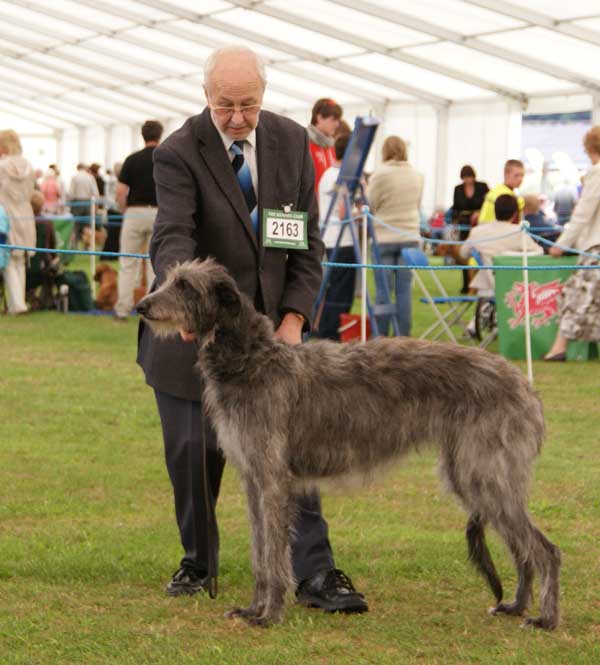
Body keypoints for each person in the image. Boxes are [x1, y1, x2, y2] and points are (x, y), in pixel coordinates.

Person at [137, 45, 367, 613]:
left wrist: (294, 317)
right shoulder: (178, 152)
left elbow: (305, 241)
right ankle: (199, 562)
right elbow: (172, 234)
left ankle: (316, 573)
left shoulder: (291, 141)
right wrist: (185, 305)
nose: (238, 116)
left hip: (273, 342)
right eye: (225, 105)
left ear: (263, 95)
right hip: (198, 327)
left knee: (291, 452)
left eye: (248, 104)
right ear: (205, 95)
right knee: (192, 450)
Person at [544, 126, 600, 361]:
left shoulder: (597, 173)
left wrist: (561, 245)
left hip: (595, 247)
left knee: (575, 295)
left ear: (589, 149)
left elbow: (582, 214)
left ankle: (559, 348)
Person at [367, 135, 424, 336]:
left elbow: (370, 204)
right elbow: (417, 204)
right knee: (404, 292)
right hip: (410, 237)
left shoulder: (380, 174)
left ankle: (381, 338)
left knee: (383, 292)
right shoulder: (417, 174)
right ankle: (403, 338)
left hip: (384, 238)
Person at [113, 121, 163, 320]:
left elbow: (120, 191)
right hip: (159, 213)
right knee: (155, 264)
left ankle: (122, 309)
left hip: (134, 212)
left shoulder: (131, 159)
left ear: (142, 135)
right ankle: (154, 311)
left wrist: (125, 210)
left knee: (127, 262)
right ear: (160, 135)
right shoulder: (165, 158)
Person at [459, 194, 542, 296]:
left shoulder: (477, 232)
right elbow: (539, 252)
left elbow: (463, 253)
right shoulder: (518, 232)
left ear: (494, 210)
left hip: (487, 288)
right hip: (515, 289)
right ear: (515, 213)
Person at [315, 133, 356, 340]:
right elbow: (343, 212)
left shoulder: (327, 174)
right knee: (341, 294)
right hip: (343, 239)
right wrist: (362, 211)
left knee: (333, 290)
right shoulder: (341, 177)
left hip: (329, 238)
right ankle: (330, 335)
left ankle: (326, 333)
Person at [0, 129, 36, 315]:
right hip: (25, 214)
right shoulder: (28, 165)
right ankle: (19, 302)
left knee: (7, 260)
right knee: (21, 260)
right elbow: (31, 192)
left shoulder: (1, 166)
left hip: (5, 216)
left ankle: (17, 305)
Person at [451, 165, 489, 292]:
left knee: (480, 253)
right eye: (465, 178)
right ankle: (466, 285)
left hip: (479, 225)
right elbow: (455, 207)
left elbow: (488, 204)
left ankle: (480, 283)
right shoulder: (458, 189)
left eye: (470, 177)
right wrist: (454, 223)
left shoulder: (482, 187)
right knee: (464, 254)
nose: (468, 180)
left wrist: (479, 212)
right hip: (464, 225)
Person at [307, 98, 342, 195]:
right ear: (319, 118)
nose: (337, 124)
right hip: (311, 206)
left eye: (338, 120)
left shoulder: (330, 146)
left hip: (326, 204)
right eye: (333, 120)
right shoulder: (304, 143)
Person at [478, 159, 525, 223]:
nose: (520, 179)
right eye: (516, 175)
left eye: (522, 175)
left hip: (483, 229)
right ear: (506, 174)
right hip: (499, 231)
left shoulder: (494, 191)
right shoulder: (512, 198)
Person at [67, 163, 99, 244]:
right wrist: (95, 205)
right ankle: (87, 245)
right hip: (88, 203)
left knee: (75, 225)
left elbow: (71, 193)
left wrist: (69, 204)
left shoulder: (75, 177)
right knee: (87, 225)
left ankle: (75, 244)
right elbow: (95, 192)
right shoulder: (90, 177)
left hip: (77, 202)